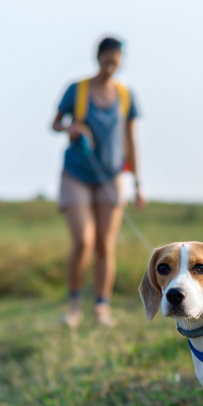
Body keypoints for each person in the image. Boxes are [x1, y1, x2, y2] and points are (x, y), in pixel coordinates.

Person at [52, 37, 145, 328]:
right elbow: (54, 123)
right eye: (107, 61)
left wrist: (138, 182)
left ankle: (101, 308)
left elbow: (131, 139)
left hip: (112, 176)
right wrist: (72, 126)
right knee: (84, 241)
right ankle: (73, 305)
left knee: (106, 244)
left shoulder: (126, 95)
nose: (111, 67)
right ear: (98, 58)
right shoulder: (77, 90)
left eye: (116, 62)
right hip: (77, 175)